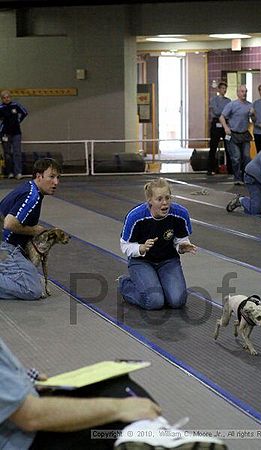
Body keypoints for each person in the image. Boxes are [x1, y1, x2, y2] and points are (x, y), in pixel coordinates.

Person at [0, 337, 227, 450]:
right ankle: (146, 432)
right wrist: (120, 408)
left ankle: (146, 432)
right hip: (19, 440)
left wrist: (23, 379)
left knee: (115, 383)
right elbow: (30, 416)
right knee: (125, 406)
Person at [117, 178, 197, 310]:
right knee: (154, 302)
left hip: (168, 261)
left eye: (167, 198)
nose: (164, 203)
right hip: (141, 261)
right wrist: (141, 248)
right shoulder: (136, 217)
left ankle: (157, 283)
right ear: (150, 200)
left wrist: (183, 246)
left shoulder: (180, 214)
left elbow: (180, 240)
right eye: (159, 199)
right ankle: (125, 284)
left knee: (177, 301)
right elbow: (124, 245)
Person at [0, 158, 61, 300]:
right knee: (32, 289)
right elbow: (9, 223)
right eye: (51, 177)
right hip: (4, 247)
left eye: (58, 178)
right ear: (39, 176)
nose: (56, 182)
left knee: (29, 275)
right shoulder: (32, 196)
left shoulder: (28, 188)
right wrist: (35, 230)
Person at [219, 85, 254, 186]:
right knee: (236, 157)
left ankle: (245, 177)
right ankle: (237, 177)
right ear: (238, 93)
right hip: (233, 134)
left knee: (247, 157)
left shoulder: (250, 105)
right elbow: (222, 117)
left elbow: (254, 120)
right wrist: (226, 128)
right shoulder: (232, 105)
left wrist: (253, 115)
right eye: (242, 91)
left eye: (246, 91)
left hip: (244, 134)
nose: (244, 93)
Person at [0, 90, 28, 180]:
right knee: (7, 154)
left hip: (16, 133)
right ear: (2, 99)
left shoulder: (16, 105)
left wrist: (18, 121)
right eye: (4, 98)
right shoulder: (0, 107)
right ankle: (10, 172)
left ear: (10, 97)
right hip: (5, 134)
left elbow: (25, 112)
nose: (6, 99)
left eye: (8, 97)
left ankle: (18, 172)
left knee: (17, 153)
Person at [207, 81, 232, 175]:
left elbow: (229, 112)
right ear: (218, 89)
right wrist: (224, 113)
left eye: (225, 88)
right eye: (222, 88)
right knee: (213, 147)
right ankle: (211, 169)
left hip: (225, 124)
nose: (224, 90)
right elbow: (217, 111)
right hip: (216, 123)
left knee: (228, 147)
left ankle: (230, 169)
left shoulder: (228, 101)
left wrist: (224, 114)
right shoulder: (213, 99)